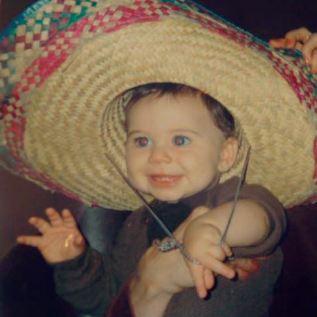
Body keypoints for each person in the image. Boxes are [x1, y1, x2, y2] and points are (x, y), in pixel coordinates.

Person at [17, 82, 286, 317]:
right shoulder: (137, 223)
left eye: (180, 140)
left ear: (226, 154)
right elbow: (104, 298)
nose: (157, 157)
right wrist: (74, 262)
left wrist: (210, 227)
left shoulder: (233, 197)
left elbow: (262, 219)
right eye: (142, 141)